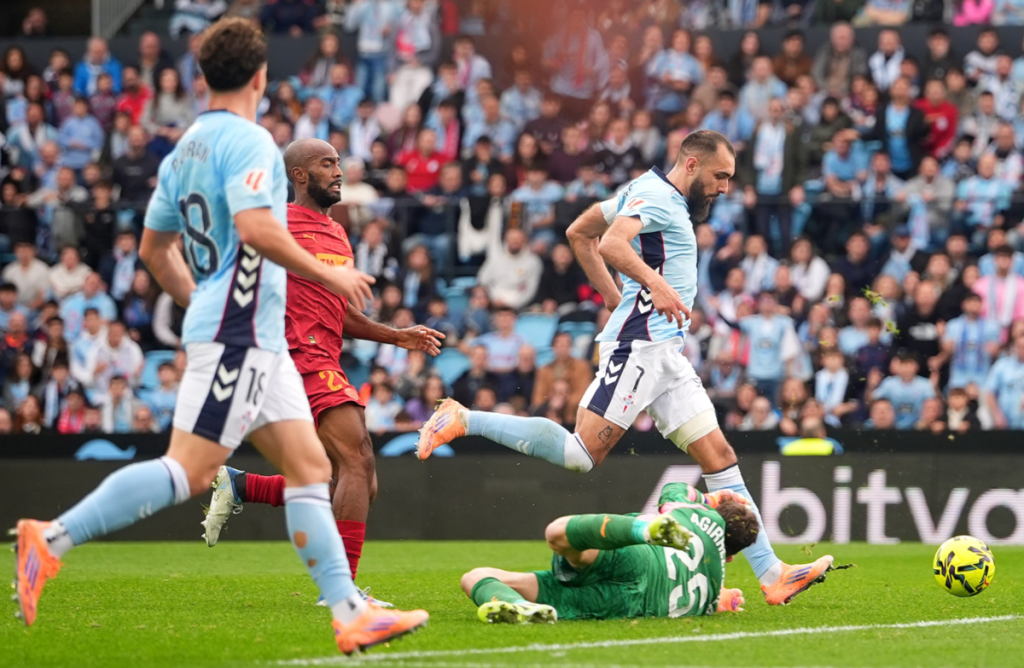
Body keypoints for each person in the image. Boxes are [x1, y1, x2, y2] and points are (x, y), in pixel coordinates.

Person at [12, 19, 427, 654]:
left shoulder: (183, 151)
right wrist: (328, 276)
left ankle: (348, 610)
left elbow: (154, 250)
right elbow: (260, 231)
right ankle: (52, 537)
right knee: (188, 469)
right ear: (260, 77)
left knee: (316, 468)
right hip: (240, 335)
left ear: (202, 77)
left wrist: (199, 297)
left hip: (248, 332)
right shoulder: (253, 143)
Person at [418, 131, 834, 606]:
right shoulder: (657, 196)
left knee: (719, 457)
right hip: (638, 348)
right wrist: (651, 286)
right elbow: (612, 245)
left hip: (664, 353)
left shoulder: (646, 190)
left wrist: (619, 300)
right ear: (693, 165)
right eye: (720, 177)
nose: (725, 188)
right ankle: (463, 417)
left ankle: (772, 574)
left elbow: (580, 232)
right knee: (580, 455)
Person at [200, 138, 444, 595]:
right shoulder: (279, 224)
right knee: (358, 459)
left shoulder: (336, 234)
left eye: (338, 163)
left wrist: (398, 335)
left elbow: (343, 313)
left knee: (351, 479)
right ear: (299, 175)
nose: (338, 171)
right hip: (294, 356)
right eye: (326, 163)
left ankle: (242, 486)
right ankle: (340, 590)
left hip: (322, 355)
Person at [460, 483, 753, 624]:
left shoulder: (704, 517)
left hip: (640, 558)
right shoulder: (714, 587)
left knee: (556, 533)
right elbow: (716, 599)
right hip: (629, 604)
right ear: (730, 556)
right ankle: (519, 607)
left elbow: (673, 490)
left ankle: (643, 530)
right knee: (475, 577)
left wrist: (711, 497)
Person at [984, 333, 1024, 429]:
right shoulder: (1002, 365)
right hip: (1003, 423)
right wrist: (997, 415)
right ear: (1014, 346)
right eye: (1020, 346)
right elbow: (989, 392)